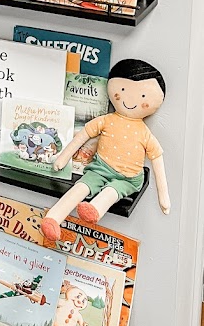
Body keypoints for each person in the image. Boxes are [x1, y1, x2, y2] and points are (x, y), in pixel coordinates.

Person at [40, 59, 169, 242]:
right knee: (81, 186)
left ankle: (95, 209)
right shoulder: (106, 120)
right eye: (122, 90)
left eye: (142, 96)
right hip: (99, 169)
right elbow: (83, 135)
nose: (130, 100)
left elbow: (157, 158)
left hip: (128, 178)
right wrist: (63, 158)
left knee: (112, 191)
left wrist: (163, 197)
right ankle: (53, 219)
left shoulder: (144, 133)